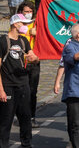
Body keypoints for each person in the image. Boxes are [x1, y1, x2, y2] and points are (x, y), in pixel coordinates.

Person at [0, 14, 39, 148]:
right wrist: (1, 90)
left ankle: (26, 144)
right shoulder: (3, 41)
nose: (26, 26)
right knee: (6, 120)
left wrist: (34, 58)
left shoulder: (23, 40)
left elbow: (33, 56)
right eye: (24, 23)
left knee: (25, 118)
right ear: (16, 24)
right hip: (8, 86)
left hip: (23, 84)